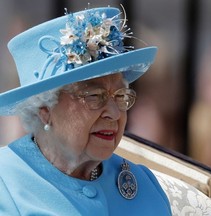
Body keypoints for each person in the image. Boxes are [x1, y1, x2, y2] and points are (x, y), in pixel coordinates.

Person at [0, 5, 172, 215]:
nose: (114, 114)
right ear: (45, 108)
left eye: (120, 96)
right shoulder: (5, 184)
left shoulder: (145, 186)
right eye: (94, 96)